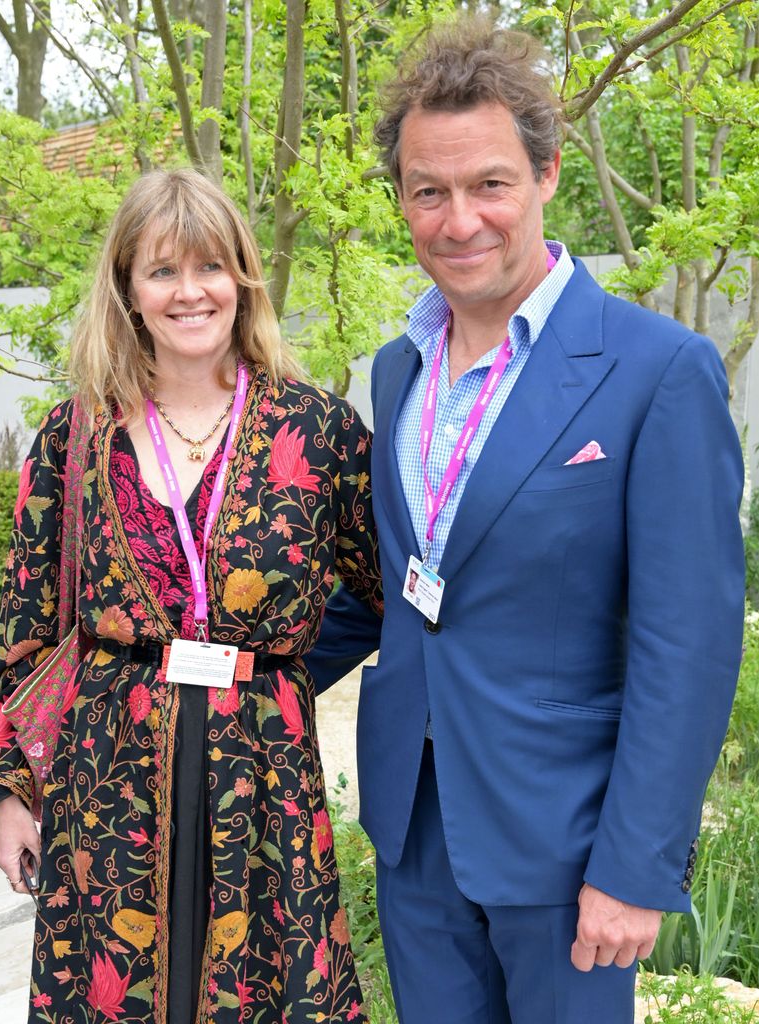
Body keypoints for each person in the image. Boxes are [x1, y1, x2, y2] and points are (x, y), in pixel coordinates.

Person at [305, 19, 745, 1024]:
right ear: (403, 198)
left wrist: (637, 864)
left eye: (489, 184)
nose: (460, 220)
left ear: (547, 176)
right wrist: (200, 672)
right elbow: (396, 585)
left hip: (568, 848)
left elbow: (690, 642)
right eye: (430, 191)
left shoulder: (657, 372)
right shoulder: (397, 367)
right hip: (415, 832)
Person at [0, 168, 382, 1024]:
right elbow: (26, 624)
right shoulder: (75, 434)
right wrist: (11, 791)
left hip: (261, 773)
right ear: (128, 289)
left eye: (209, 267)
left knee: (260, 988)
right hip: (107, 778)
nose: (189, 292)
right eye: (162, 271)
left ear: (242, 278)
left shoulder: (318, 430)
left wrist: (281, 667)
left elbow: (382, 590)